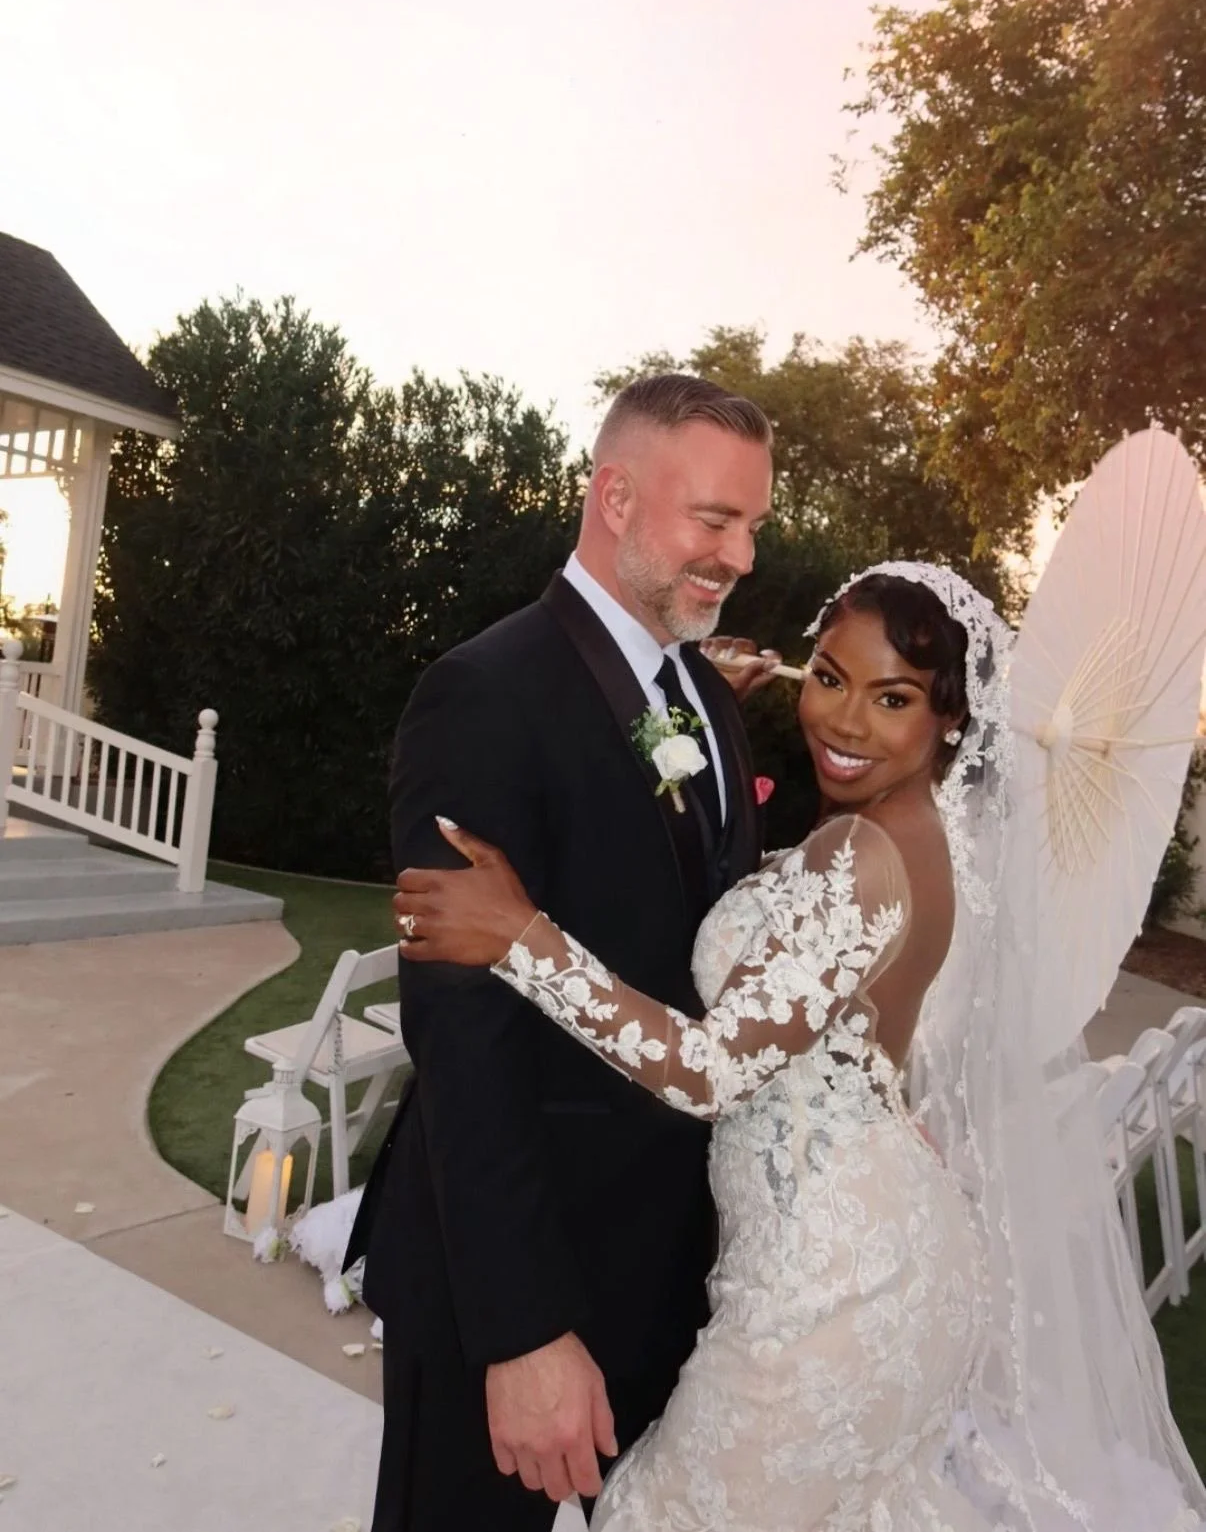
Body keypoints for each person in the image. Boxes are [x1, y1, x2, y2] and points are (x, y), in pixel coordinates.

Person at [394, 564, 1206, 1531]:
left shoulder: (860, 857)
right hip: (881, 1243)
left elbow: (710, 1071)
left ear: (951, 719)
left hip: (833, 1284)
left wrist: (522, 936)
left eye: (893, 698)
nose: (846, 721)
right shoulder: (916, 835)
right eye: (829, 677)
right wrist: (701, 723)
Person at [344, 373, 781, 1531]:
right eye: (714, 520)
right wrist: (526, 1330)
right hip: (515, 1289)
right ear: (618, 496)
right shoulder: (481, 696)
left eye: (752, 526)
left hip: (667, 1277)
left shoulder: (711, 703)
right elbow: (463, 1040)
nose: (739, 556)